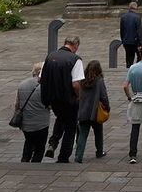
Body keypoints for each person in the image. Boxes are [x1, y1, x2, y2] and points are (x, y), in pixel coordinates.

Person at [41, 34, 84, 162]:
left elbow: (42, 79)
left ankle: (52, 144)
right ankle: (63, 157)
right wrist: (79, 97)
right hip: (69, 100)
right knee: (70, 127)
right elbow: (76, 84)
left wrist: (46, 100)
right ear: (76, 46)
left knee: (60, 119)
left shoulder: (50, 56)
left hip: (54, 100)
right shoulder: (75, 59)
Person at [74, 59, 110, 163]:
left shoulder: (82, 81)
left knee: (82, 134)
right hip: (95, 112)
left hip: (83, 111)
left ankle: (78, 156)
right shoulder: (99, 81)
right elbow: (104, 97)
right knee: (98, 131)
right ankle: (99, 151)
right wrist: (107, 108)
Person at [15, 62, 50, 163]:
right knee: (40, 147)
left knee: (28, 142)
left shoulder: (22, 84)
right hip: (41, 124)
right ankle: (35, 164)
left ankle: (25, 161)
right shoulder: (45, 87)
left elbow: (17, 105)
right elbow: (49, 106)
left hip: (26, 123)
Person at [119, 1, 142, 68]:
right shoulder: (137, 17)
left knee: (129, 58)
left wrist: (123, 41)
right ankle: (136, 69)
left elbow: (122, 31)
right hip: (135, 42)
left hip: (126, 41)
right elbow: (139, 32)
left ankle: (129, 71)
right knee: (140, 56)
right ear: (135, 8)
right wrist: (140, 44)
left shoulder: (123, 17)